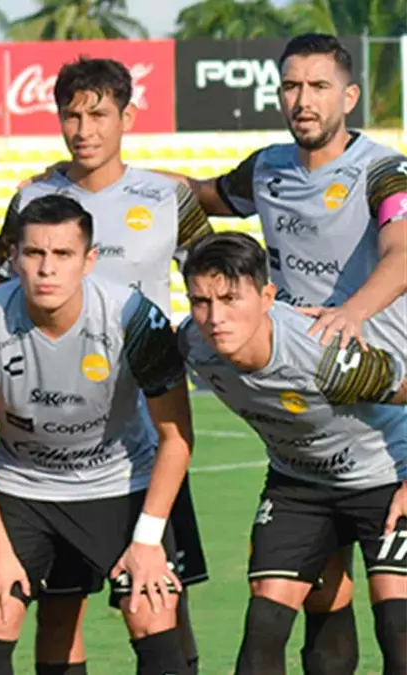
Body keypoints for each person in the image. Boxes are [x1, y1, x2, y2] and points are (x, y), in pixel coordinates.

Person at [160, 33, 407, 669]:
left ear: (349, 97)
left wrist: (352, 314)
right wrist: (109, 177)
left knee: (398, 626)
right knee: (309, 606)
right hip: (305, 413)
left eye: (319, 86)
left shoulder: (384, 170)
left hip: (384, 412)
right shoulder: (267, 169)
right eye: (291, 86)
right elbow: (199, 194)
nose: (303, 100)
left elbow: (403, 250)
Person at [0, 56, 213, 674]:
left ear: (127, 117)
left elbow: (212, 277)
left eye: (99, 115)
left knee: (159, 594)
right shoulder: (33, 198)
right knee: (60, 606)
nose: (83, 130)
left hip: (146, 435)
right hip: (53, 433)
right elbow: (2, 290)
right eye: (71, 116)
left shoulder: (166, 197)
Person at [0, 194, 195, 674]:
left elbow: (176, 437)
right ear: (13, 256)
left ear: (89, 259)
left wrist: (147, 540)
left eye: (63, 254)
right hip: (24, 489)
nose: (47, 269)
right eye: (34, 253)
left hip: (120, 484)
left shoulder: (133, 317)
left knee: (152, 613)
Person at [176, 232, 407, 672]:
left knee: (398, 624)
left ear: (267, 297)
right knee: (265, 619)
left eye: (230, 299)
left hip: (386, 475)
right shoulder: (193, 344)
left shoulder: (322, 355)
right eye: (200, 302)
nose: (215, 318)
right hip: (299, 483)